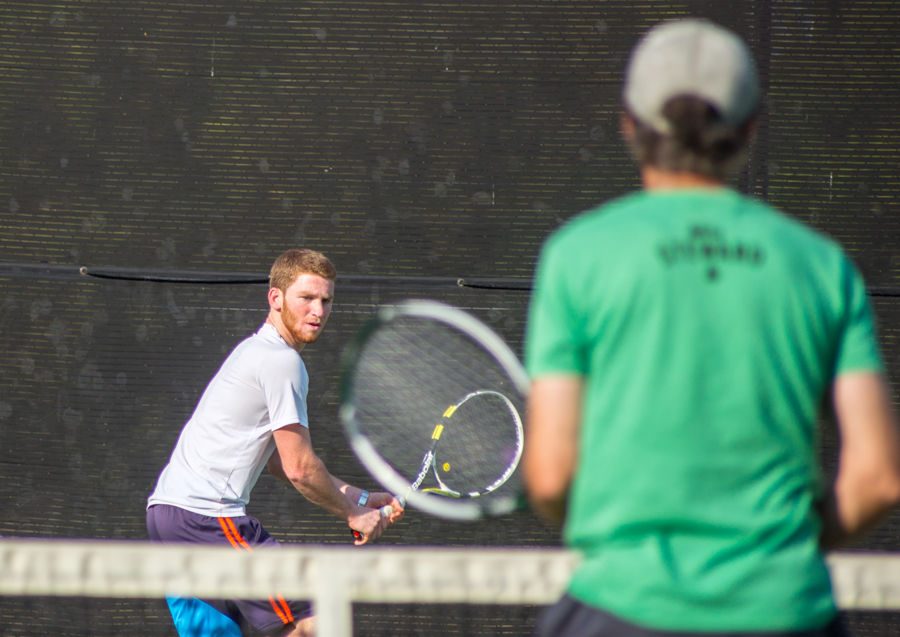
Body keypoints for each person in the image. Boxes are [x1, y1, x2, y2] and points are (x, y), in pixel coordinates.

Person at [523, 18, 900, 637]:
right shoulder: (822, 266)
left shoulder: (579, 254)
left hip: (619, 606)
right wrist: (783, 549)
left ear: (629, 123)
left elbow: (551, 475)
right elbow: (878, 479)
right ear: (749, 128)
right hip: (789, 608)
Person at [147, 248, 403, 637]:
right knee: (313, 624)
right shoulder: (281, 362)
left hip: (168, 514)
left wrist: (362, 498)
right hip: (207, 518)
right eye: (307, 298)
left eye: (326, 301)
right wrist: (353, 514)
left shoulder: (255, 352)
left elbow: (281, 463)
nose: (318, 311)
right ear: (276, 298)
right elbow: (300, 469)